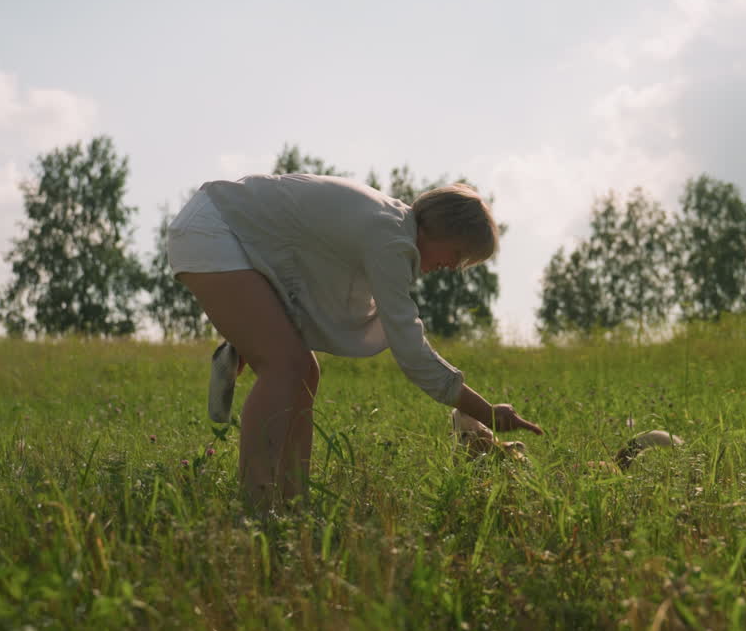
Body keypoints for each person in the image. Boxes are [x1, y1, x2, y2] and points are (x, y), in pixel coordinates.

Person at [166, 173, 543, 510]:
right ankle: (257, 501)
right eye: (458, 256)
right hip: (213, 231)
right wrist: (486, 412)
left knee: (303, 371)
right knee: (285, 366)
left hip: (227, 231)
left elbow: (312, 280)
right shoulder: (390, 238)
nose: (452, 268)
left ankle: (294, 500)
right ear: (446, 230)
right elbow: (412, 351)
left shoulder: (388, 224)